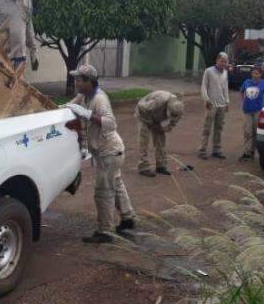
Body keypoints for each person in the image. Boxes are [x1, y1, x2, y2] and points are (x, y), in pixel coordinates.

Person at [66, 64, 135, 244]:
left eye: (78, 80)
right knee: (116, 184)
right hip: (110, 151)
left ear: (89, 81)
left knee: (103, 192)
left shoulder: (99, 99)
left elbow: (111, 123)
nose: (76, 82)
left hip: (109, 152)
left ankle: (105, 231)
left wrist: (88, 115)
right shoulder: (83, 95)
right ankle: (128, 217)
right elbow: (68, 107)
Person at [135, 91, 184, 177]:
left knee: (161, 141)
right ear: (168, 108)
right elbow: (142, 108)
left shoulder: (178, 110)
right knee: (144, 141)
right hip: (143, 115)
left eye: (174, 115)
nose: (173, 116)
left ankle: (161, 166)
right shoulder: (159, 101)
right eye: (171, 114)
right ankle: (143, 167)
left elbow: (172, 123)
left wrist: (165, 128)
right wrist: (150, 123)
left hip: (157, 116)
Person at [240, 65, 264, 161]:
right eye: (254, 73)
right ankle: (246, 152)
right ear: (251, 73)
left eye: (257, 73)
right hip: (247, 111)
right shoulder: (246, 82)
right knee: (247, 132)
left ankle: (252, 151)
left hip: (258, 111)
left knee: (255, 132)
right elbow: (242, 91)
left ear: (260, 74)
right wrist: (243, 102)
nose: (255, 75)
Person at [198, 52, 230, 159]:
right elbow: (204, 87)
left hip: (221, 104)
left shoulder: (225, 73)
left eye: (225, 61)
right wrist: (206, 99)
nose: (224, 63)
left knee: (219, 128)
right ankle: (202, 150)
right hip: (211, 104)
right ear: (217, 60)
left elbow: (225, 88)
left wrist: (227, 101)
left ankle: (216, 149)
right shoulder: (209, 71)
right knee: (207, 127)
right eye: (222, 61)